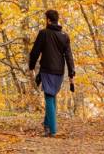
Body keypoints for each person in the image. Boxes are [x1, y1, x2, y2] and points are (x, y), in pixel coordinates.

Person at [28, 9, 75, 137]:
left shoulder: (44, 33)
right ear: (57, 19)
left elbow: (35, 52)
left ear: (48, 20)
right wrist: (71, 73)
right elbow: (69, 56)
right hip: (60, 71)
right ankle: (47, 124)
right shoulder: (64, 36)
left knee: (49, 97)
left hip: (47, 69)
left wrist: (31, 66)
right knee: (52, 95)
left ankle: (53, 131)